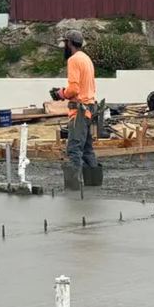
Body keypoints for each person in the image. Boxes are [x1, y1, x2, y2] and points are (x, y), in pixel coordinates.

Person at [51, 29, 100, 190]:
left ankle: (75, 188)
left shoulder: (73, 60)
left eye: (65, 43)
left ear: (70, 43)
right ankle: (94, 185)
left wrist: (61, 93)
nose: (65, 46)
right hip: (90, 108)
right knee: (87, 149)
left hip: (79, 111)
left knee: (74, 149)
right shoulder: (87, 59)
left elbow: (74, 89)